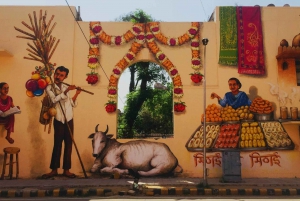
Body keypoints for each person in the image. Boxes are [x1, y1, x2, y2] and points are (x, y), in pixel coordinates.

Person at [42, 66, 81, 179]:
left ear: (65, 77)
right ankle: (54, 170)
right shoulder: (49, 88)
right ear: (54, 74)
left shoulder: (65, 86)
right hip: (59, 119)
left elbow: (71, 104)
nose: (58, 77)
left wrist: (77, 93)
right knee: (57, 144)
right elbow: (54, 99)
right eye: (57, 74)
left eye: (61, 75)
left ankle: (66, 170)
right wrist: (67, 91)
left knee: (69, 144)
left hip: (69, 118)